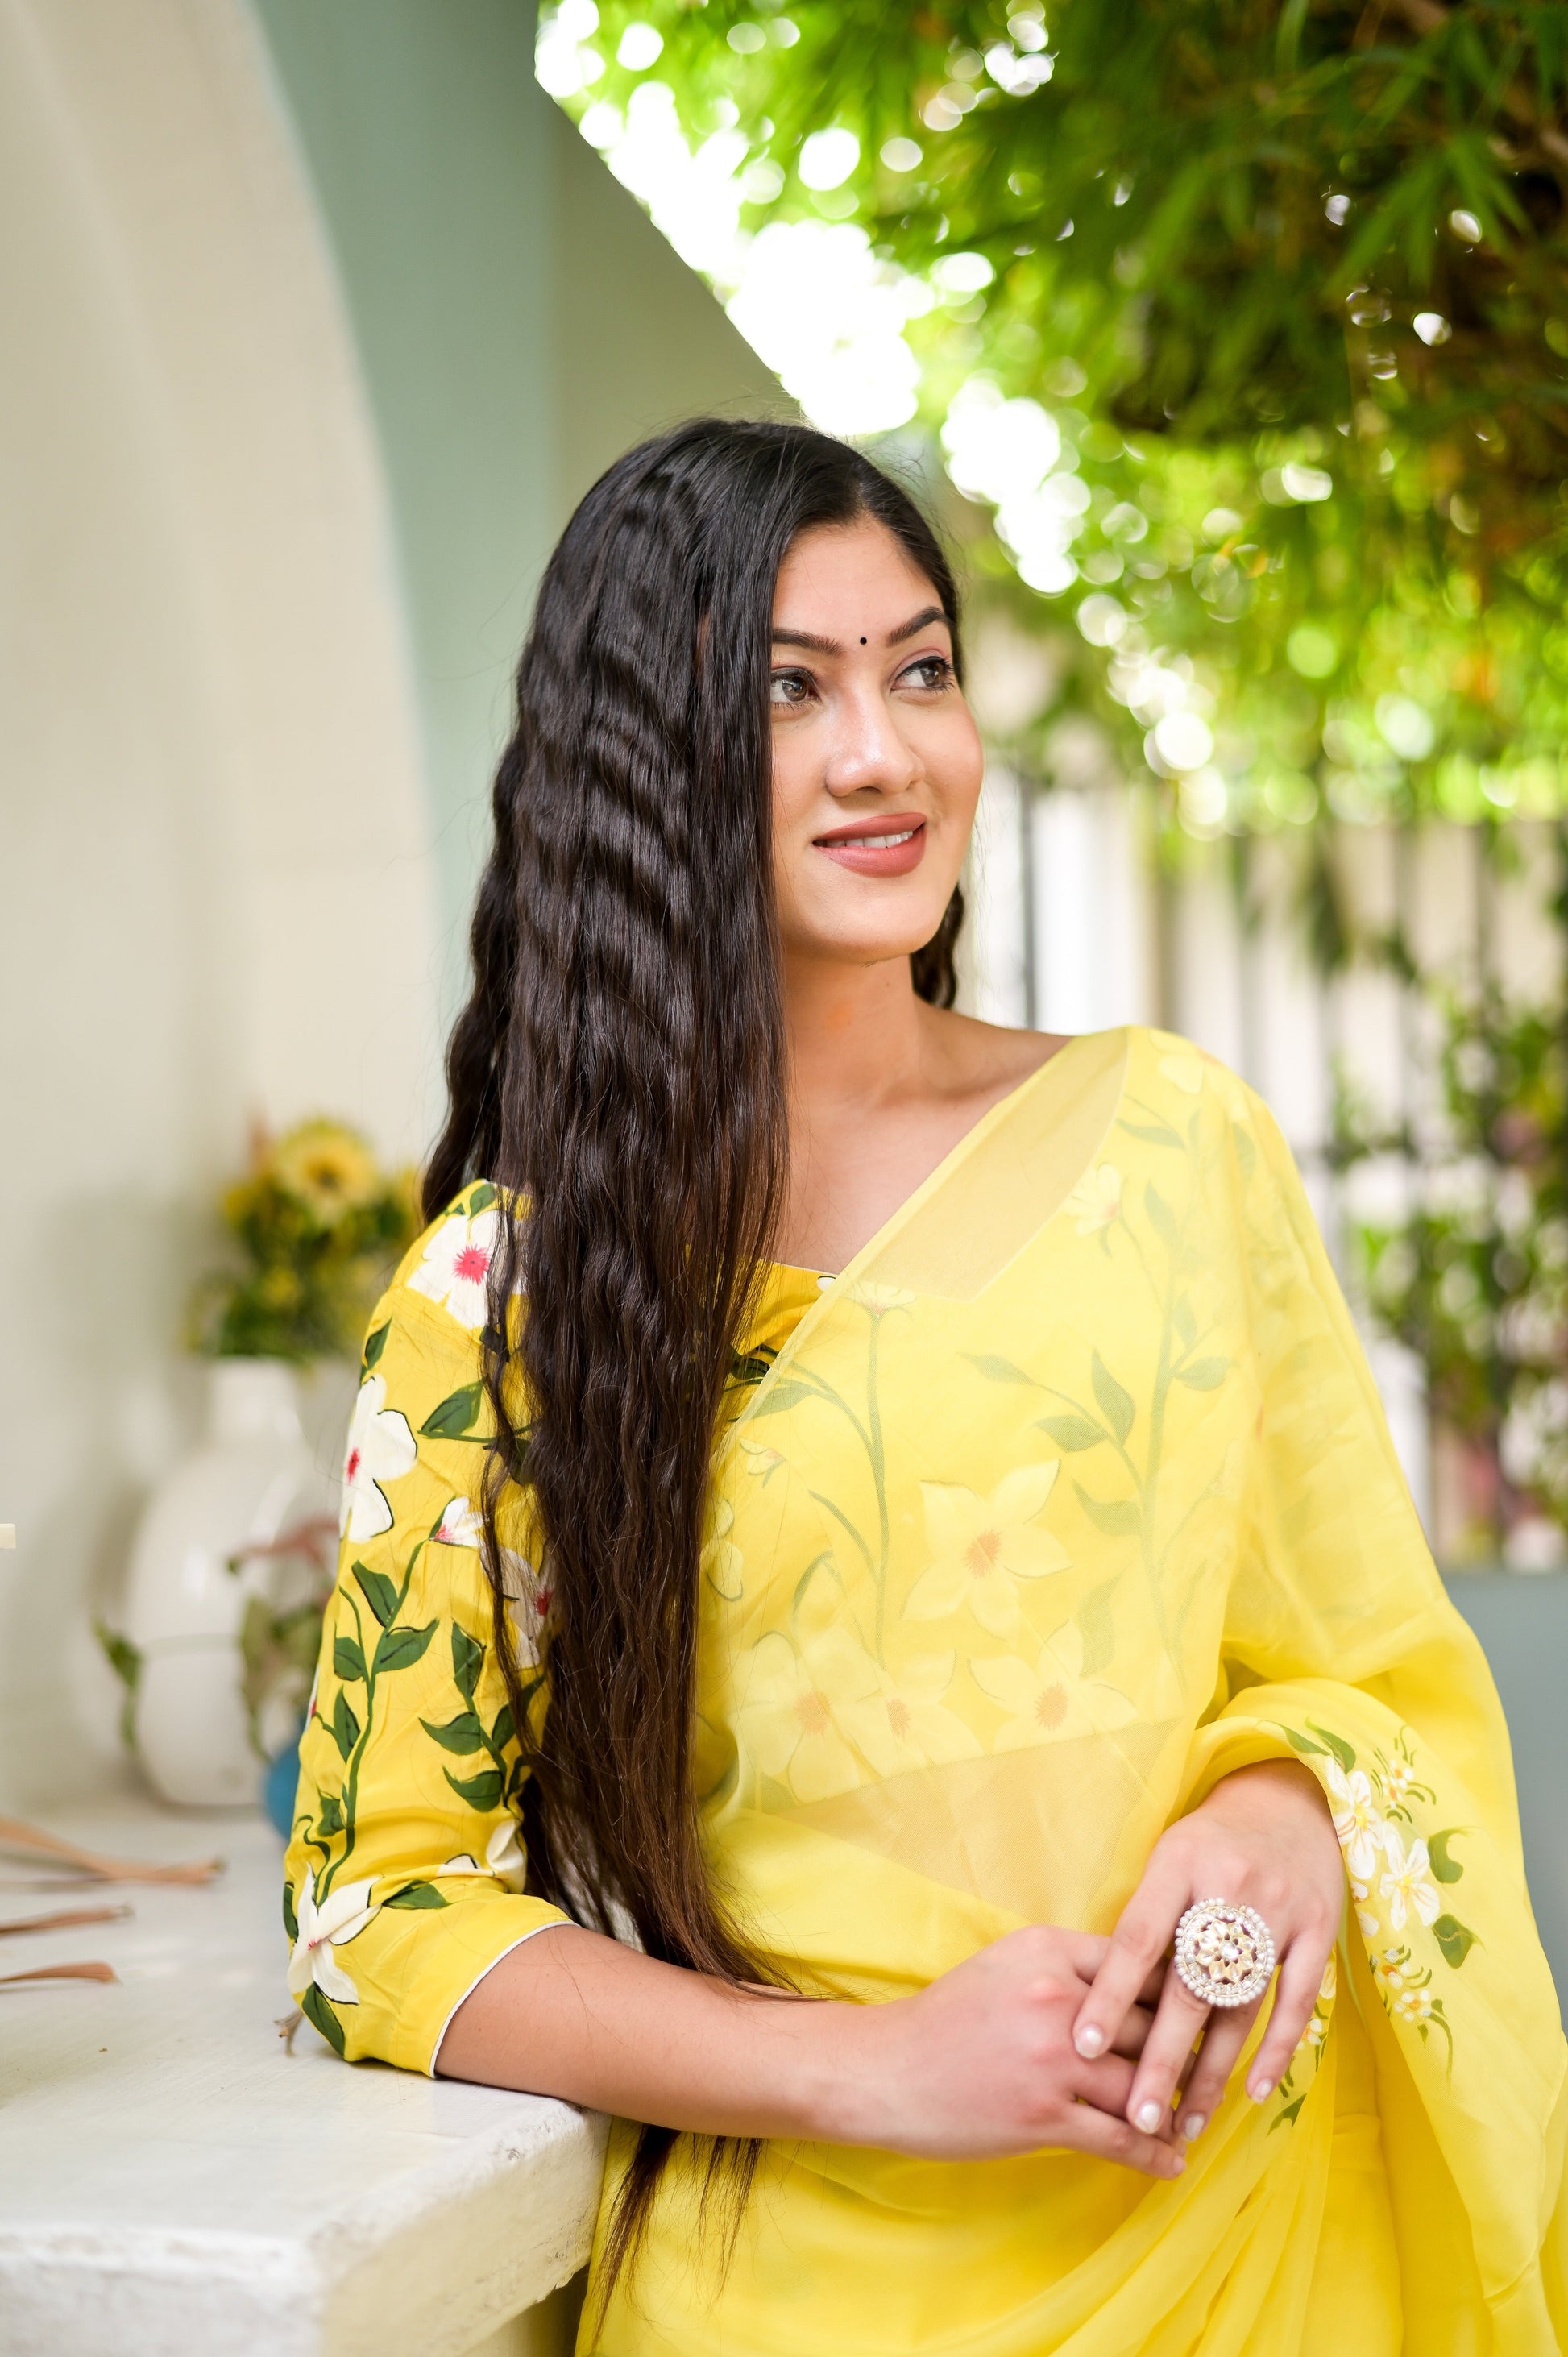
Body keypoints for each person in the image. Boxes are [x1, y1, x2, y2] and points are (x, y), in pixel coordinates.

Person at [284, 420, 1568, 2355]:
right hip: (807, 2285)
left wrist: (1286, 1809)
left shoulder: (1167, 1144)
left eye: (921, 670)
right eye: (790, 689)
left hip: (1258, 2240)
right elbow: (372, 1912)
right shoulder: (510, 1295)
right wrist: (867, 2063)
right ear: (646, 752)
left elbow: (1370, 1662)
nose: (883, 752)